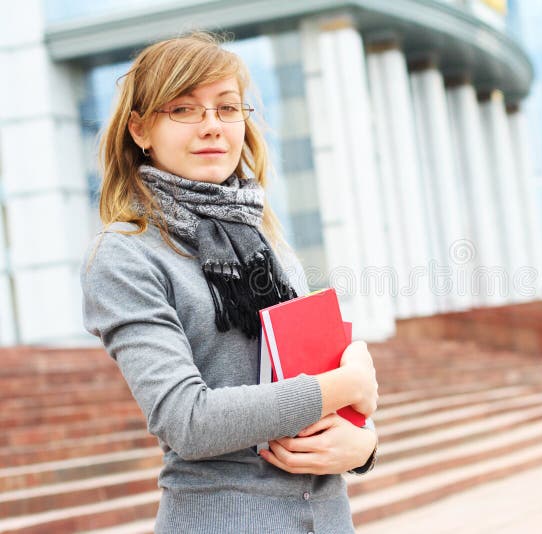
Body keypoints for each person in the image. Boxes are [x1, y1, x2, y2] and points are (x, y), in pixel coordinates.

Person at [81, 32, 378, 533]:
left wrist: (363, 444)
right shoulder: (126, 255)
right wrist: (341, 385)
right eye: (183, 110)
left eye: (227, 108)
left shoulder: (265, 240)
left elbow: (320, 390)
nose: (211, 127)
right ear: (139, 129)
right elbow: (186, 421)